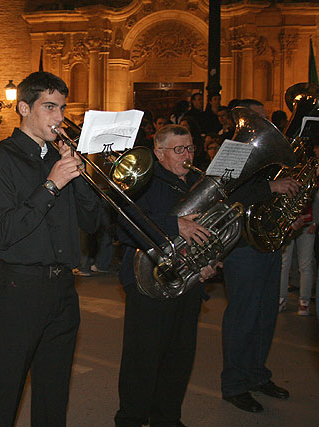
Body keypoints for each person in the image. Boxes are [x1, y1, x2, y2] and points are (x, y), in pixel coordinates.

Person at [0, 71, 100, 426]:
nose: (59, 117)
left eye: (61, 107)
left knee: (54, 389)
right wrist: (51, 185)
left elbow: (92, 224)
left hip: (63, 288)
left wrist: (81, 175)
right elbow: (4, 233)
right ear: (23, 108)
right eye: (49, 107)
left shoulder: (58, 159)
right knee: (5, 388)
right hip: (17, 290)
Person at [115, 125, 218, 427]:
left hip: (188, 282)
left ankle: (167, 419)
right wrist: (176, 225)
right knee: (142, 359)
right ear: (159, 153)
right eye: (178, 149)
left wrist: (210, 261)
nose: (187, 155)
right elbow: (127, 225)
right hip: (148, 282)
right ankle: (130, 419)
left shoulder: (200, 182)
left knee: (179, 357)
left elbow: (211, 230)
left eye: (190, 148)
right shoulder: (143, 181)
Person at [220, 99, 299, 413]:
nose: (268, 124)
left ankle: (256, 374)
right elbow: (225, 193)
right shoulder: (232, 149)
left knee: (265, 316)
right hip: (243, 245)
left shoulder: (268, 156)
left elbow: (267, 196)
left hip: (266, 241)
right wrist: (271, 187)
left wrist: (284, 215)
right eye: (261, 118)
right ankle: (234, 384)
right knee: (244, 316)